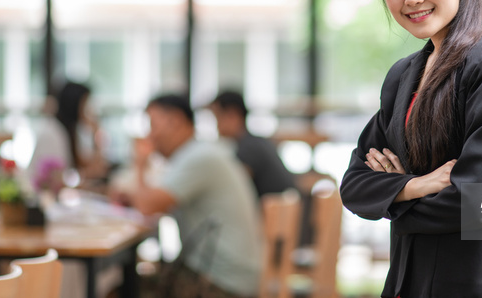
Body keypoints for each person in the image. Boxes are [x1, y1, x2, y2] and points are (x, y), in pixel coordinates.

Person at [339, 0, 482, 297]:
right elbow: (354, 186)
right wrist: (419, 185)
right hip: (409, 278)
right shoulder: (403, 76)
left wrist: (392, 200)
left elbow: (476, 201)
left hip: (472, 281)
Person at [124, 93, 262, 298]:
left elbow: (147, 206)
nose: (149, 135)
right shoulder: (199, 152)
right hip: (231, 275)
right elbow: (154, 199)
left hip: (222, 282)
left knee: (132, 287)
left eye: (152, 124)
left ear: (175, 121)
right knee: (138, 282)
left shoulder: (198, 157)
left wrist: (140, 163)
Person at [208, 90, 297, 198]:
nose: (216, 127)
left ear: (233, 115)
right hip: (285, 208)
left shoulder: (249, 148)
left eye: (217, 117)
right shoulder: (255, 141)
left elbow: (234, 186)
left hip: (274, 211)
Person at [27, 81, 108, 187]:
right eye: (85, 105)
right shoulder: (52, 133)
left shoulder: (70, 131)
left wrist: (96, 134)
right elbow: (57, 178)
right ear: (74, 104)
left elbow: (96, 167)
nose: (88, 111)